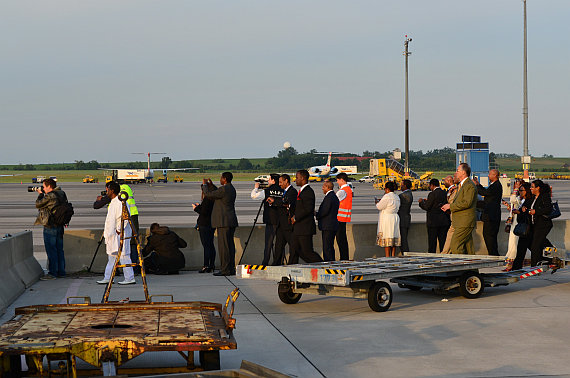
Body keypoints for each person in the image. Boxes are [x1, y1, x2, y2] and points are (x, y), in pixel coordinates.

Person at [97, 181, 135, 285]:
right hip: (113, 235)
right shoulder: (113, 202)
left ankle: (129, 278)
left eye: (107, 189)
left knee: (124, 255)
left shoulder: (120, 202)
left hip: (120, 233)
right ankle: (108, 278)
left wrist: (119, 229)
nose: (106, 191)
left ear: (112, 190)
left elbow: (125, 218)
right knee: (112, 256)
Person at [202, 172, 238, 276]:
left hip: (223, 222)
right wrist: (212, 186)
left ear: (225, 179)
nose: (220, 179)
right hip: (230, 221)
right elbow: (218, 193)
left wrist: (205, 185)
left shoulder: (224, 189)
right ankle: (231, 268)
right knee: (230, 246)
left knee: (224, 247)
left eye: (221, 178)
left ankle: (225, 270)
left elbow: (209, 195)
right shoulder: (230, 188)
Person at [34, 178, 68, 280]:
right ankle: (61, 272)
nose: (43, 188)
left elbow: (38, 204)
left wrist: (40, 194)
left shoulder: (50, 195)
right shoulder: (61, 193)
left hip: (50, 225)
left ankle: (52, 273)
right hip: (60, 225)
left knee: (51, 249)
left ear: (49, 186)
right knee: (59, 250)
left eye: (44, 186)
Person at [441, 163, 478, 255]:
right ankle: (471, 269)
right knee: (468, 248)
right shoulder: (461, 186)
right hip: (460, 222)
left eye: (457, 170)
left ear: (463, 172)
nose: (456, 173)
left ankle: (461, 267)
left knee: (455, 245)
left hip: (465, 222)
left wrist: (450, 206)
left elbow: (467, 203)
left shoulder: (469, 185)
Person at [289, 170, 324, 264]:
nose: (295, 180)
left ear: (303, 178)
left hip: (305, 227)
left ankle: (321, 265)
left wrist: (296, 218)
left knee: (307, 251)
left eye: (297, 177)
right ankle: (291, 269)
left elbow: (308, 209)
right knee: (295, 249)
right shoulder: (302, 191)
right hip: (298, 228)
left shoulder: (308, 192)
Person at [250, 173, 283, 265]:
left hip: (270, 220)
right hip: (281, 220)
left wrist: (256, 187)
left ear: (273, 181)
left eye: (269, 180)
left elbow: (254, 196)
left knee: (268, 243)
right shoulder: (283, 190)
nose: (268, 181)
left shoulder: (267, 191)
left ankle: (265, 262)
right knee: (280, 243)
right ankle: (278, 262)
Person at [267, 174, 297, 265]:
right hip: (281, 224)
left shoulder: (292, 191)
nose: (279, 184)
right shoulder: (285, 191)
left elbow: (286, 202)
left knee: (293, 246)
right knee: (278, 246)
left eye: (281, 182)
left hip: (287, 225)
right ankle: (276, 264)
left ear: (286, 181)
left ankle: (292, 264)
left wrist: (274, 201)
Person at [473, 169, 503, 256]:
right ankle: (493, 253)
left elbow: (484, 193)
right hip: (491, 215)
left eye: (490, 174)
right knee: (490, 236)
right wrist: (478, 185)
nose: (488, 176)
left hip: (491, 215)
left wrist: (477, 186)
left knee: (489, 236)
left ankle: (493, 254)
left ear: (495, 175)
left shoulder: (496, 186)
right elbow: (486, 192)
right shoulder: (494, 185)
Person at [419, 179, 450, 253]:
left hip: (433, 223)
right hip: (443, 221)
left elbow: (427, 207)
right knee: (443, 242)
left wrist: (421, 202)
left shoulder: (432, 194)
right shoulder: (444, 193)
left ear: (432, 185)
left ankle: (431, 258)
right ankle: (443, 257)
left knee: (432, 243)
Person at [528, 180, 554, 266]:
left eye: (532, 187)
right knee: (540, 243)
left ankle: (534, 266)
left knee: (535, 246)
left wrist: (536, 211)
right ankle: (550, 259)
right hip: (535, 225)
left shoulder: (544, 196)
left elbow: (548, 209)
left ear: (538, 188)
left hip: (543, 225)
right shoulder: (533, 197)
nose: (530, 188)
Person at [193, 182, 217, 273]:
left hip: (204, 225)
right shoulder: (215, 198)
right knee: (211, 245)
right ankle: (212, 265)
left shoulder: (207, 199)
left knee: (206, 246)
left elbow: (204, 212)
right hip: (212, 224)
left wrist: (196, 208)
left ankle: (206, 266)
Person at [316, 180, 340, 261]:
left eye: (323, 187)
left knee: (327, 247)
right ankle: (331, 261)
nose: (322, 188)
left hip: (328, 225)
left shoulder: (329, 197)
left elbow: (325, 211)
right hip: (332, 224)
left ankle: (328, 262)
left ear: (327, 187)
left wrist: (317, 214)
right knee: (330, 246)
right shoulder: (334, 196)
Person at [375, 181, 401, 257]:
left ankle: (387, 256)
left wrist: (376, 202)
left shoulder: (387, 196)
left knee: (387, 237)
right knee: (393, 237)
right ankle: (393, 255)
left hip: (387, 218)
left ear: (387, 189)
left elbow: (379, 207)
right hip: (395, 217)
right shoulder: (396, 197)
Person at [511, 182, 532, 270]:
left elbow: (528, 214)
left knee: (522, 249)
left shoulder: (529, 201)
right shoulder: (524, 201)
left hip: (528, 228)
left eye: (521, 190)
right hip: (525, 228)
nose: (520, 192)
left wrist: (519, 212)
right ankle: (516, 267)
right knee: (524, 248)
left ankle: (516, 267)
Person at [502, 179, 523, 270]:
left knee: (515, 242)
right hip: (513, 222)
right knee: (511, 243)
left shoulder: (522, 198)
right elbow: (513, 205)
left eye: (518, 186)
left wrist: (515, 190)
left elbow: (513, 199)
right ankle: (510, 262)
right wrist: (509, 207)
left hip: (518, 223)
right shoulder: (518, 197)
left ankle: (512, 263)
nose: (516, 187)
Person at [335, 172, 353, 260]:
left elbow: (334, 201)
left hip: (339, 218)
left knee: (341, 240)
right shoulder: (349, 189)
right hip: (344, 217)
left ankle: (343, 258)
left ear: (342, 180)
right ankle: (345, 258)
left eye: (338, 180)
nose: (337, 182)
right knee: (343, 240)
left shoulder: (342, 191)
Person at [441, 175, 458, 254]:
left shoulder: (455, 190)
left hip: (455, 219)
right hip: (452, 219)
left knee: (450, 238)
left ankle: (444, 254)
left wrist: (448, 206)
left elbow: (451, 202)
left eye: (445, 181)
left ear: (448, 181)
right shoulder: (451, 190)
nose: (443, 183)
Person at [398, 179, 413, 255]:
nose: (400, 186)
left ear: (405, 186)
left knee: (403, 240)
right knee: (403, 239)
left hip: (402, 220)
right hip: (406, 218)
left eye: (402, 185)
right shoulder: (409, 193)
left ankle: (406, 254)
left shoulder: (403, 196)